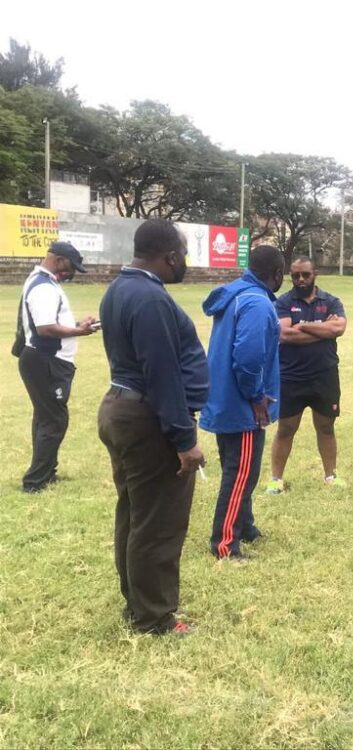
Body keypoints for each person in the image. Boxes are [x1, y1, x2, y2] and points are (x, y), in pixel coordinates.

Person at [97, 219, 207, 635]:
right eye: (184, 254)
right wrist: (184, 440)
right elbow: (162, 374)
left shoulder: (120, 288)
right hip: (148, 418)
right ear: (171, 256)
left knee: (135, 513)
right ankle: (155, 617)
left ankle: (138, 604)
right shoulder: (149, 298)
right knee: (158, 521)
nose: (186, 262)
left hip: (124, 407)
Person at [200, 245, 285, 560]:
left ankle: (245, 525)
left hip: (225, 399)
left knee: (240, 469)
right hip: (242, 405)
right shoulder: (257, 302)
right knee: (240, 474)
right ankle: (225, 543)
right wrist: (256, 396)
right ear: (277, 274)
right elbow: (248, 358)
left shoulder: (237, 295)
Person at [16, 241, 97, 492]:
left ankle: (45, 473)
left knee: (45, 417)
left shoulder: (41, 281)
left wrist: (77, 325)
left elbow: (50, 321)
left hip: (42, 359)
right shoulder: (44, 287)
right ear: (59, 260)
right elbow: (46, 328)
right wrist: (79, 332)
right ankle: (36, 481)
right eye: (71, 267)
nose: (71, 273)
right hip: (47, 360)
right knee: (54, 420)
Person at [265, 257, 348, 494]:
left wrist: (302, 325)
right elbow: (285, 335)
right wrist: (323, 329)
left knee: (326, 427)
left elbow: (338, 328)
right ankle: (276, 480)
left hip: (325, 376)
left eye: (305, 275)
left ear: (315, 274)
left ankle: (331, 475)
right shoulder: (283, 302)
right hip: (291, 377)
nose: (300, 279)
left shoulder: (331, 301)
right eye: (295, 275)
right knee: (286, 429)